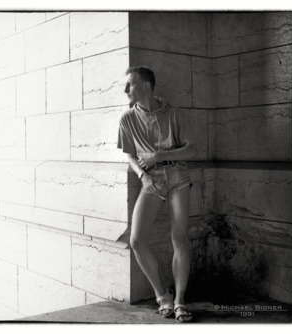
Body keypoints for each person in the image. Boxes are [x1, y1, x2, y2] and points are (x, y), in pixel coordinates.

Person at [117, 66, 196, 323]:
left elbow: (191, 150)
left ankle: (180, 301)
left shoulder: (173, 113)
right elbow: (130, 155)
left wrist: (159, 156)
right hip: (150, 181)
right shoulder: (127, 118)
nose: (126, 90)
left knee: (179, 238)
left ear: (147, 86)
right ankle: (162, 295)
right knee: (137, 240)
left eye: (130, 84)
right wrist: (143, 174)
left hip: (178, 178)